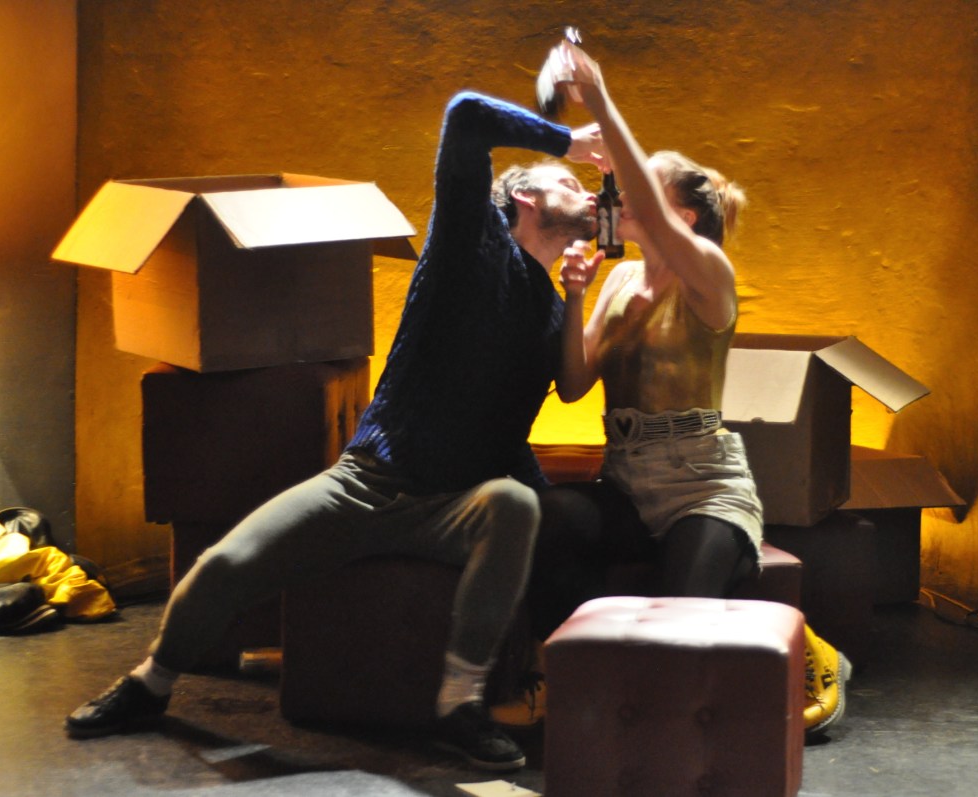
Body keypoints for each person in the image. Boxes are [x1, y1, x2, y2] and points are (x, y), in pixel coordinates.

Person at [65, 90, 606, 772]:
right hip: (367, 484)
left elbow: (539, 404)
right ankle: (150, 683)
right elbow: (467, 116)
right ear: (525, 199)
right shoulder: (470, 244)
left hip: (452, 505)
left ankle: (458, 705)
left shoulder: (551, 308)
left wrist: (581, 296)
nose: (586, 192)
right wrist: (569, 141)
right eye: (568, 183)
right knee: (226, 564)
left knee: (517, 502)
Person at [522, 40, 851, 739]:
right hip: (626, 479)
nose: (621, 194)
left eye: (644, 186)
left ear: (686, 218)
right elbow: (574, 386)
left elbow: (645, 202)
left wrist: (600, 98)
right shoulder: (618, 277)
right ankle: (580, 686)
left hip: (704, 485)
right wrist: (573, 297)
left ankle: (813, 650)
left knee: (680, 614)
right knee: (545, 520)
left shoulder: (709, 275)